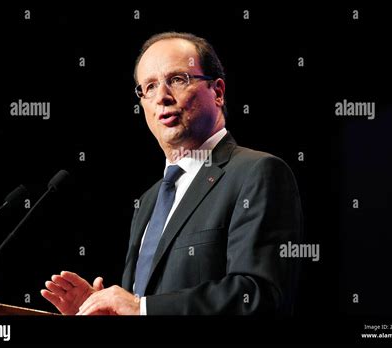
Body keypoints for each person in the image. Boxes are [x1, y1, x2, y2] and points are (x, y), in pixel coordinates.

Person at [41, 32, 302, 315]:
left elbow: (258, 295)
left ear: (217, 92)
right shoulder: (149, 201)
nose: (162, 97)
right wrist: (108, 311)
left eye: (178, 80)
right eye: (149, 86)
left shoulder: (257, 173)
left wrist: (141, 308)